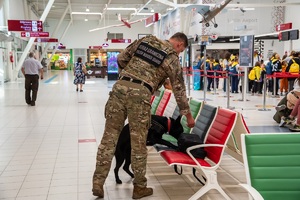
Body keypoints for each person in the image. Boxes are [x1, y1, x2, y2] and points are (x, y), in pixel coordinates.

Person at [92, 32, 195, 199]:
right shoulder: (172, 57)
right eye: (181, 51)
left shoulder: (146, 40)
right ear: (179, 45)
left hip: (119, 88)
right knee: (138, 142)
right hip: (140, 95)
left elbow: (121, 58)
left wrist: (130, 76)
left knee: (109, 139)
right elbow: (179, 90)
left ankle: (98, 182)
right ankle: (139, 187)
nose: (179, 53)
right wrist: (188, 116)